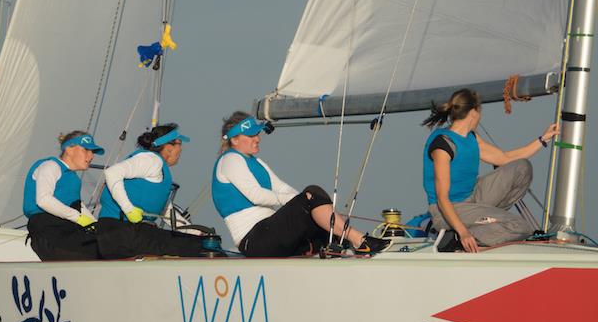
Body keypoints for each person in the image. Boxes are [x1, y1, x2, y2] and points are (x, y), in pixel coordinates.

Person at [212, 111, 388, 257]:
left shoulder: (257, 163)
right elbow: (255, 195)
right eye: (251, 135)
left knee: (313, 202)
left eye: (257, 133)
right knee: (312, 194)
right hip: (254, 240)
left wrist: (311, 204)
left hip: (269, 233)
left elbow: (282, 188)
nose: (257, 138)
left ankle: (345, 245)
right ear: (234, 139)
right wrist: (305, 200)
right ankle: (358, 241)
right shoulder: (230, 160)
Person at [422, 88, 559, 252]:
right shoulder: (443, 145)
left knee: (522, 168)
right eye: (480, 112)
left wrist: (543, 139)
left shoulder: (471, 137)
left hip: (473, 198)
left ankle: (490, 222)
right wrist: (463, 232)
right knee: (520, 227)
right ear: (473, 112)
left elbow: (504, 159)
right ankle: (455, 237)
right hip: (447, 210)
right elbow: (442, 198)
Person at [97, 123, 209, 258]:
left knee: (192, 242)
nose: (182, 149)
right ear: (168, 147)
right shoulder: (151, 160)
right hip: (120, 231)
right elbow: (112, 172)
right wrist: (129, 209)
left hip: (126, 232)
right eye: (179, 143)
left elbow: (166, 209)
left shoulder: (158, 168)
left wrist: (195, 232)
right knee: (197, 247)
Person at [22, 130, 104, 260]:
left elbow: (77, 206)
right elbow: (43, 200)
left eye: (92, 152)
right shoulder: (51, 166)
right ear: (69, 149)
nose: (91, 156)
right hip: (47, 227)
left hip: (66, 227)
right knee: (89, 254)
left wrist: (98, 227)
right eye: (86, 150)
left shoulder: (73, 178)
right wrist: (78, 218)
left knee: (104, 247)